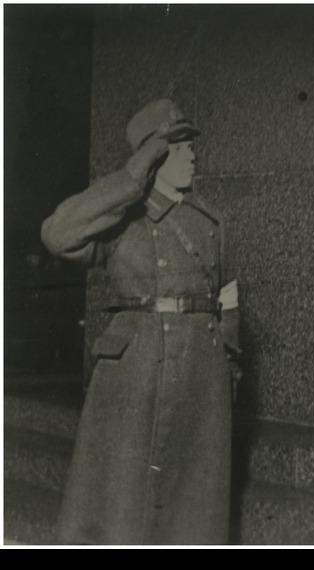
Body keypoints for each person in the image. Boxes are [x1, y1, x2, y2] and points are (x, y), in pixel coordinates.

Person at [41, 99, 241, 544]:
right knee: (121, 501)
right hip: (135, 373)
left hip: (199, 375)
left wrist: (229, 366)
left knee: (192, 504)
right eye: (179, 147)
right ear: (153, 155)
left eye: (192, 146)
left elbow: (227, 297)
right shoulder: (118, 218)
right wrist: (131, 181)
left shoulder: (209, 220)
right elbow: (56, 235)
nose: (192, 155)